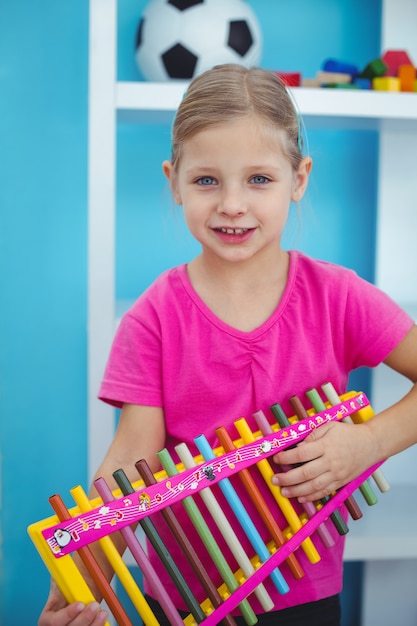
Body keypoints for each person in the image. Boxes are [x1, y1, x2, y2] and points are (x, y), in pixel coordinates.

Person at [39, 63, 417, 626]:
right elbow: (130, 461)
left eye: (259, 180)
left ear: (300, 179)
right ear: (174, 182)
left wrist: (369, 445)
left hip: (306, 597)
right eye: (207, 180)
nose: (232, 204)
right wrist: (73, 593)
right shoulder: (153, 319)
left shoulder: (338, 296)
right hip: (186, 600)